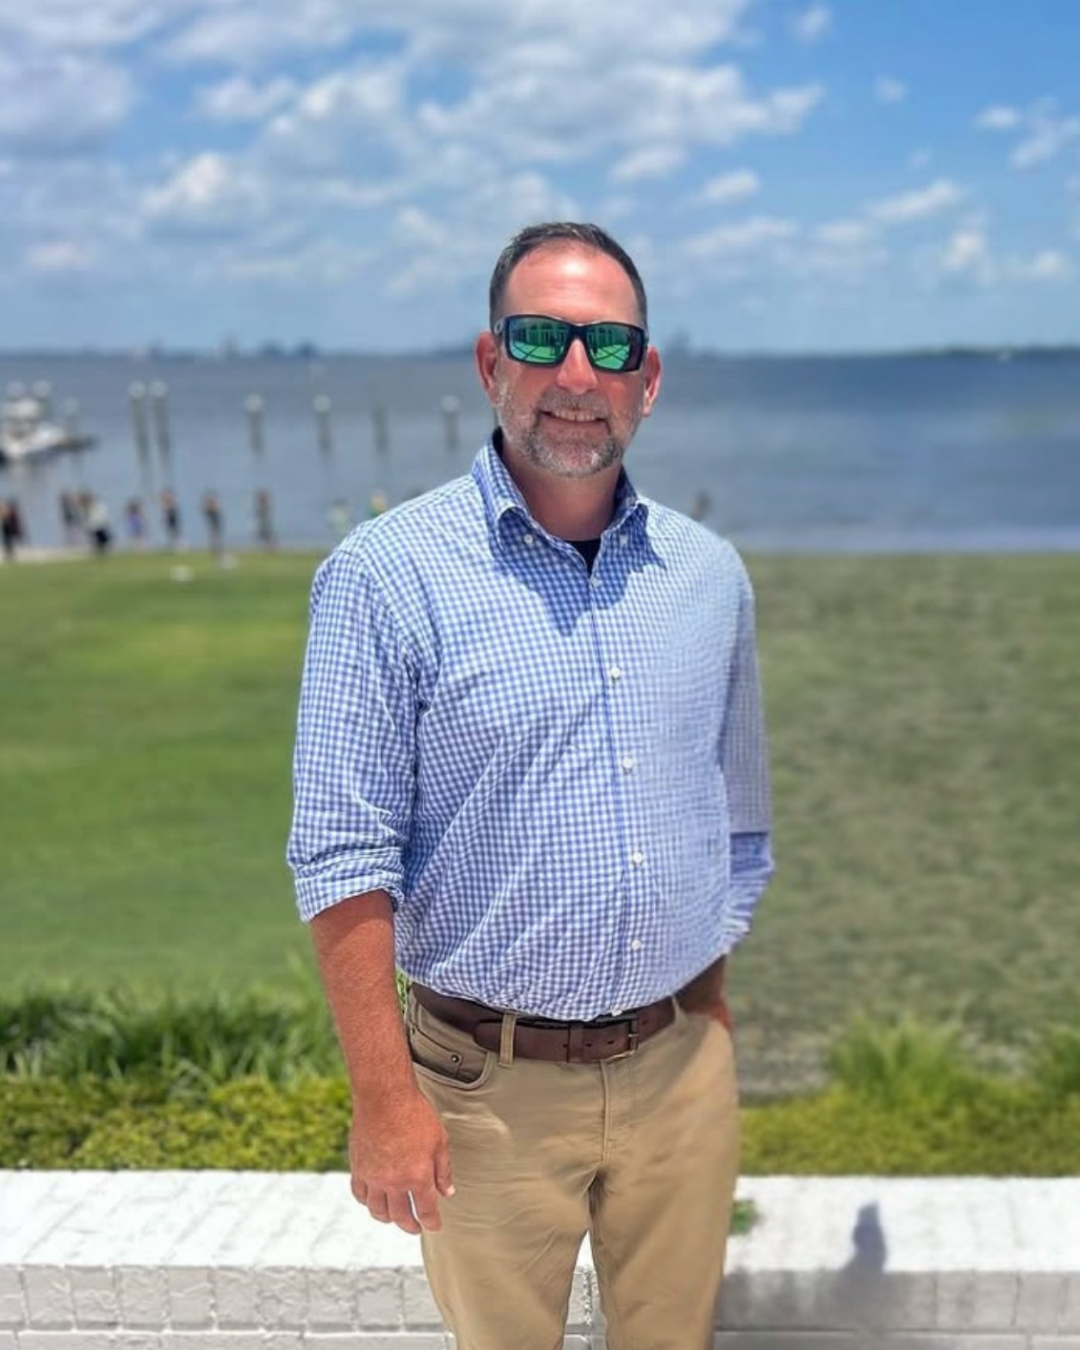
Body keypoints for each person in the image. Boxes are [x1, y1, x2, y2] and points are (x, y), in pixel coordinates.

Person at [287, 222, 773, 1350]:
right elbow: (340, 857)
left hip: (680, 1074)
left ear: (647, 381)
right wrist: (384, 1102)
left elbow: (733, 820)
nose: (574, 375)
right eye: (541, 337)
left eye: (608, 347)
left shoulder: (709, 577)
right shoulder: (384, 577)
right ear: (489, 361)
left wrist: (710, 1016)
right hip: (483, 1090)